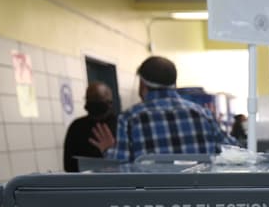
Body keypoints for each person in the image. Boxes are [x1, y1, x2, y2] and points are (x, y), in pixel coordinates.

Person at [89, 56, 233, 159]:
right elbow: (233, 153)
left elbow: (121, 164)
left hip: (152, 200)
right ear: (174, 83)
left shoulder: (129, 118)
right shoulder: (204, 115)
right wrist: (218, 127)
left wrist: (108, 149)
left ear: (142, 84)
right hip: (200, 197)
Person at [62, 82, 117, 172]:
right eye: (92, 99)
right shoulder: (76, 127)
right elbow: (69, 165)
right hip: (86, 183)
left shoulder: (122, 124)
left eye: (98, 100)